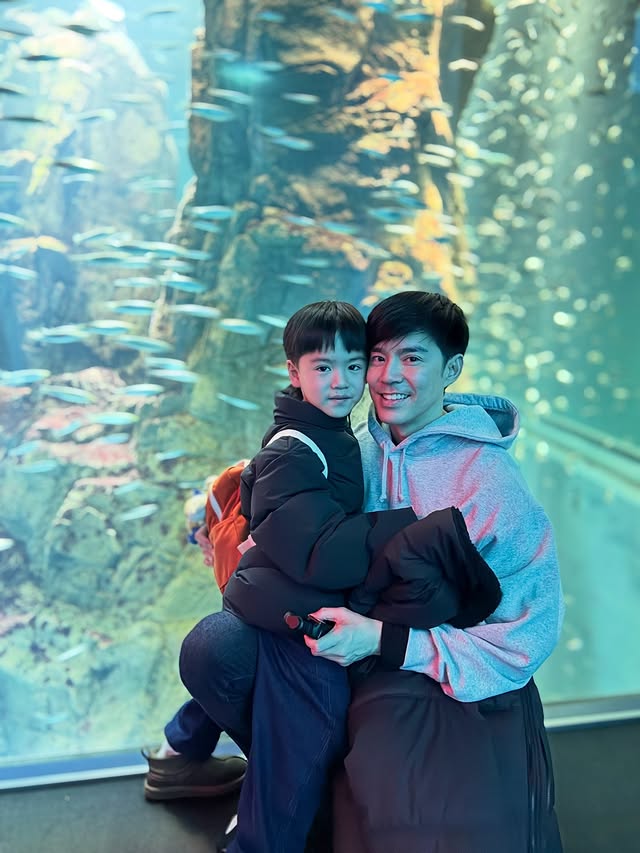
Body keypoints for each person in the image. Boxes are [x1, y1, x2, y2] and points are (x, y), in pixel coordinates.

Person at [156, 291, 565, 852]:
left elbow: (526, 637)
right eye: (376, 357)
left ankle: (299, 798)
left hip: (440, 676)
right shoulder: (356, 447)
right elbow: (280, 489)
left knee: (409, 826)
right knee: (215, 646)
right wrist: (229, 525)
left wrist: (386, 641)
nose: (387, 375)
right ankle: (288, 790)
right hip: (339, 651)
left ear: (452, 369)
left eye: (412, 358)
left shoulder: (490, 485)